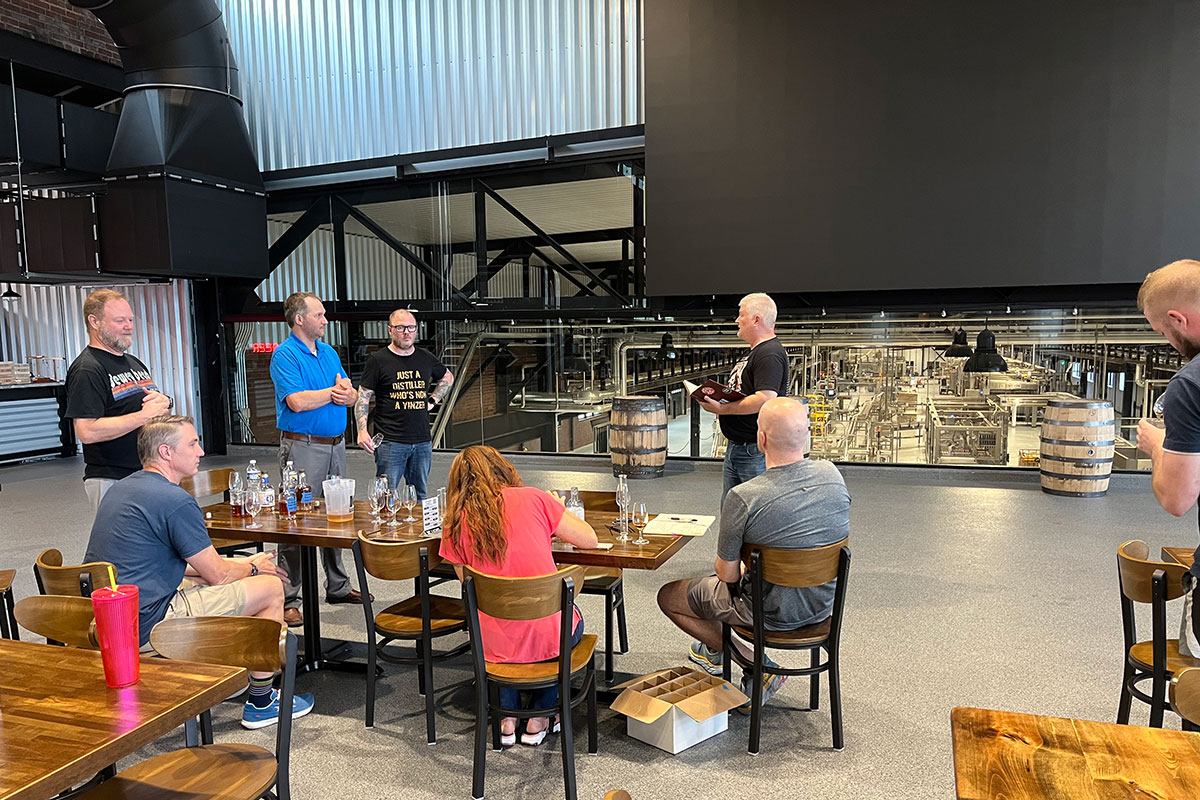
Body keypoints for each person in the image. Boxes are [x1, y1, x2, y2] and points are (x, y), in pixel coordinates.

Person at [84, 415, 313, 729]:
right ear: (166, 452)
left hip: (113, 621)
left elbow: (185, 565)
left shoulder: (122, 489)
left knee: (208, 576)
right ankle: (262, 701)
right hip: (151, 622)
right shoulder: (174, 500)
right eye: (192, 443)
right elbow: (218, 575)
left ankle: (235, 673)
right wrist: (254, 565)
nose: (201, 451)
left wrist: (241, 568)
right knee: (271, 587)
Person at [657, 397, 850, 710]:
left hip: (766, 613)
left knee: (670, 596)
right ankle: (729, 657)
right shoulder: (833, 476)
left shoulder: (744, 497)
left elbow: (726, 574)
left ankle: (753, 663)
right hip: (820, 609)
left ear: (761, 439)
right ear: (807, 436)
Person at [438, 446, 599, 746]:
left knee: (499, 624)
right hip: (547, 637)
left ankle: (507, 719)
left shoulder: (455, 522)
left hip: (491, 644)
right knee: (564, 620)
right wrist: (550, 513)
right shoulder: (535, 498)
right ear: (503, 468)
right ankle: (540, 717)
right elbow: (589, 539)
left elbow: (469, 585)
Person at [270, 291, 364, 627]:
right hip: (303, 447)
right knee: (295, 521)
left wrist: (347, 395)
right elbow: (296, 402)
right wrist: (333, 394)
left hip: (336, 446)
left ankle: (337, 585)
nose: (325, 320)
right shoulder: (285, 356)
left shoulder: (328, 353)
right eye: (320, 315)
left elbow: (350, 393)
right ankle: (289, 598)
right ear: (300, 319)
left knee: (337, 516)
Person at [1136, 259, 1200, 654]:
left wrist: (1157, 443)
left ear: (1178, 319)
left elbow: (1177, 499)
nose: (1168, 343)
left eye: (1164, 331)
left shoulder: (1190, 384)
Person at [63, 289, 171, 511]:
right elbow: (87, 431)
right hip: (113, 478)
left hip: (146, 473)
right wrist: (143, 416)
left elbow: (151, 410)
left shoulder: (133, 363)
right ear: (94, 321)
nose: (128, 326)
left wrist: (163, 404)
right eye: (120, 320)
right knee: (118, 544)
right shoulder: (88, 370)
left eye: (130, 319)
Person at [698, 292, 790, 502]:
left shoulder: (770, 353)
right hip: (738, 446)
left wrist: (723, 409)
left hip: (752, 450)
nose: (737, 320)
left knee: (753, 511)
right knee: (734, 510)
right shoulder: (755, 352)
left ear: (756, 319)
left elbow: (764, 398)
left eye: (741, 315)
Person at [354, 308, 454, 500]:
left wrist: (433, 400)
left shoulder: (425, 357)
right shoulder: (378, 360)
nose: (407, 332)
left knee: (420, 496)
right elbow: (363, 396)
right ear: (390, 330)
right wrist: (362, 430)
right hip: (391, 441)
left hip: (422, 439)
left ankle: (418, 531)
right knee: (385, 495)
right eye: (400, 327)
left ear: (416, 330)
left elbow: (447, 376)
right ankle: (385, 529)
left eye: (411, 327)